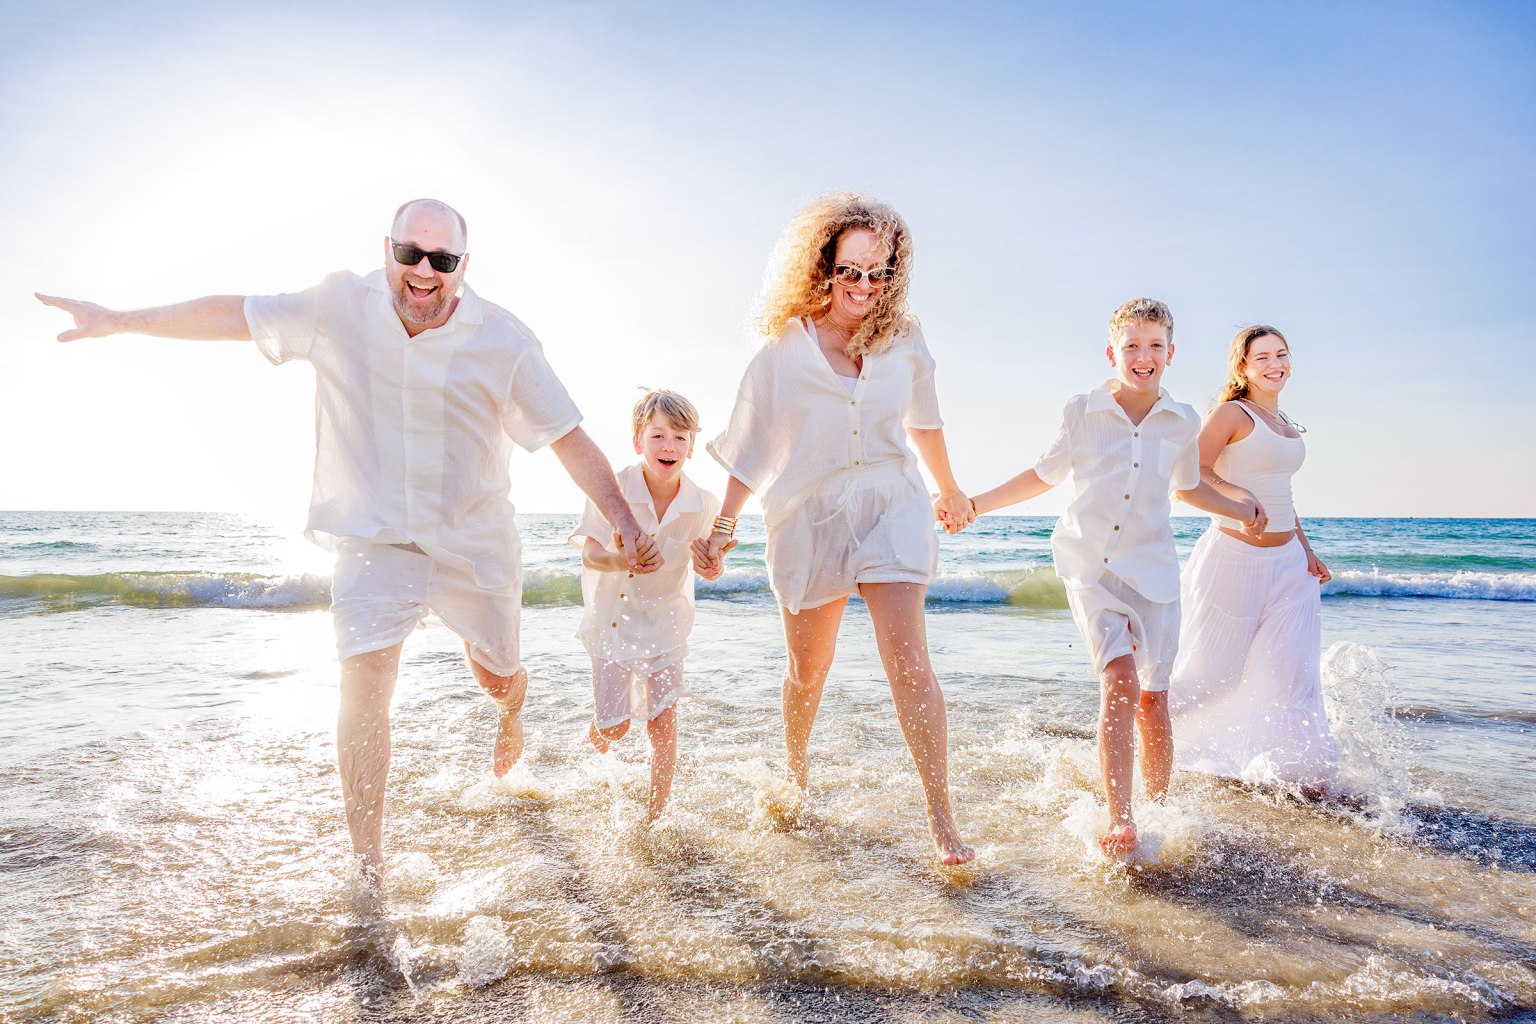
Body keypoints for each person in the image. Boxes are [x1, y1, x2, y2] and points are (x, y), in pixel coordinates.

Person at [36, 199, 659, 887]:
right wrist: (123, 320)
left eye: (442, 260)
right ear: (387, 250)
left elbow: (567, 434)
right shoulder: (338, 306)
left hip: (474, 542)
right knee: (363, 683)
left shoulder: (505, 341)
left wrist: (623, 519)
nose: (424, 272)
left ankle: (511, 707)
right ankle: (369, 869)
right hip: (374, 540)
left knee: (497, 675)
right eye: (411, 254)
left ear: (462, 268)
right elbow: (234, 314)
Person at [693, 193, 975, 865]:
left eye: (878, 274)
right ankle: (795, 772)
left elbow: (925, 423)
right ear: (822, 265)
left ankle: (942, 818)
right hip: (808, 516)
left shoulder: (904, 338)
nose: (864, 287)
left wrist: (950, 488)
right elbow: (750, 446)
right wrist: (723, 526)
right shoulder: (782, 351)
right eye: (850, 271)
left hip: (891, 503)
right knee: (807, 671)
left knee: (909, 662)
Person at [965, 298, 1266, 858]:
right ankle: (1121, 818)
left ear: (1170, 354)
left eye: (1154, 346)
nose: (1143, 356)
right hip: (1091, 569)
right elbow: (1042, 475)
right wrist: (977, 505)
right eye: (1132, 346)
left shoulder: (1182, 421)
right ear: (1113, 353)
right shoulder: (1081, 411)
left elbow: (1186, 489)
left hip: (1154, 574)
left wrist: (1239, 507)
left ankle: (1157, 807)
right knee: (1119, 680)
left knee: (1154, 701)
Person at [1169, 325, 1337, 788]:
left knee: (1290, 677)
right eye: (1261, 357)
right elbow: (1189, 477)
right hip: (1233, 560)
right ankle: (1137, 738)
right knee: (1211, 676)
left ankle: (1296, 777)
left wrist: (1306, 549)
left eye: (1281, 354)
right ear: (1242, 367)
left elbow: (1282, 493)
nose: (1273, 364)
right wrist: (1235, 494)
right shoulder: (1231, 414)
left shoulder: (1285, 423)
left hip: (1289, 567)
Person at [571, 389, 723, 822]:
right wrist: (622, 558)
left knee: (662, 724)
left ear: (692, 446)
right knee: (615, 728)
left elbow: (715, 556)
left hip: (667, 625)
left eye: (679, 437)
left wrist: (713, 565)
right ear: (638, 441)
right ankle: (596, 738)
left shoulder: (704, 504)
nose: (669, 446)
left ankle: (655, 818)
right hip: (613, 621)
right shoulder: (612, 489)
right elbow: (589, 554)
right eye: (658, 435)